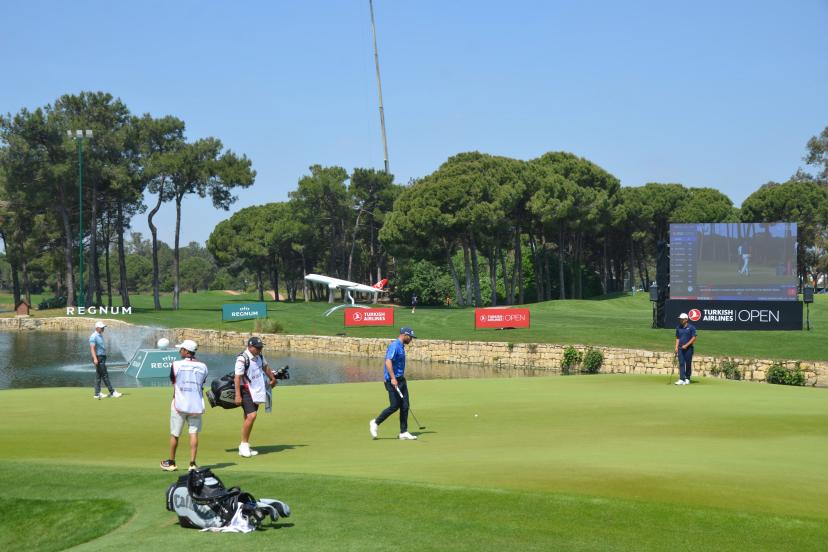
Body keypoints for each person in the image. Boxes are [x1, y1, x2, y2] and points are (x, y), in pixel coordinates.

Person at [161, 339, 208, 472]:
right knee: (193, 433)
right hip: (196, 405)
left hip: (179, 404)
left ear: (187, 351)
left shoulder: (176, 364)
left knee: (175, 434)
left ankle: (171, 463)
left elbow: (173, 380)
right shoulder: (203, 366)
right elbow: (202, 382)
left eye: (181, 349)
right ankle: (192, 464)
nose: (179, 351)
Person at [369, 326, 418, 440]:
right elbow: (388, 361)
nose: (411, 339)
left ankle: (403, 432)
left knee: (405, 406)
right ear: (404, 335)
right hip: (392, 381)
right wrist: (393, 378)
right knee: (394, 406)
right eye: (410, 337)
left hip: (401, 380)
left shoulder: (401, 346)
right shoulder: (394, 346)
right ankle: (375, 423)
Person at [234, 336, 277, 458]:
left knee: (248, 417)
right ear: (250, 347)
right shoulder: (242, 359)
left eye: (261, 347)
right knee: (252, 416)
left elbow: (265, 367)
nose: (260, 350)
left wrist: (272, 378)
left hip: (257, 390)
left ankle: (245, 444)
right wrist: (237, 395)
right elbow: (237, 378)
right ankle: (243, 445)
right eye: (257, 348)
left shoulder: (260, 357)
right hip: (245, 390)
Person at [88, 321, 122, 399]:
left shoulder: (100, 335)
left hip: (102, 357)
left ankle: (97, 394)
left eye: (103, 327)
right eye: (101, 327)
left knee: (98, 376)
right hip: (98, 358)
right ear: (97, 328)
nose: (103, 328)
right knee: (105, 375)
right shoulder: (93, 336)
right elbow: (92, 349)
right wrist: (95, 359)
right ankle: (112, 392)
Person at [674, 313, 697, 385]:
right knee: (681, 363)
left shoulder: (691, 327)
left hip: (689, 348)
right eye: (680, 319)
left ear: (686, 320)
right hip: (680, 348)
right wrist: (676, 347)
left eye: (682, 319)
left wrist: (686, 345)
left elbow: (694, 338)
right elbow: (677, 338)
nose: (680, 320)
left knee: (688, 363)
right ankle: (682, 379)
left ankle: (687, 378)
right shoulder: (678, 327)